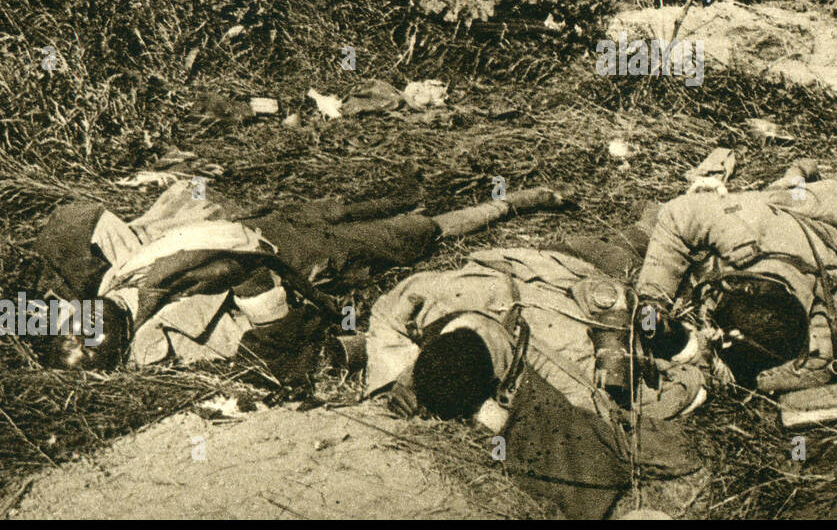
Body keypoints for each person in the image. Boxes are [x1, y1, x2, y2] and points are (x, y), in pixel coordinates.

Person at [28, 179, 564, 378]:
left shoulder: (114, 278)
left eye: (69, 328)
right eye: (85, 344)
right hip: (304, 264)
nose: (78, 329)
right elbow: (262, 327)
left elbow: (77, 219)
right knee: (411, 233)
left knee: (375, 200)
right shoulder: (161, 336)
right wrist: (256, 288)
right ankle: (513, 204)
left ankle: (459, 183)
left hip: (270, 228)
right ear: (113, 350)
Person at [365, 240, 708, 519]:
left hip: (573, 272)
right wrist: (401, 373)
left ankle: (683, 334)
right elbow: (385, 312)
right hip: (552, 268)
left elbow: (682, 390)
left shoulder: (577, 377)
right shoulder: (432, 295)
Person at [634, 158, 837, 387]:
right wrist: (652, 300)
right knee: (795, 189)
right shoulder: (735, 230)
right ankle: (807, 169)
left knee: (833, 193)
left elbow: (816, 365)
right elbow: (676, 214)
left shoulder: (823, 318)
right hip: (779, 208)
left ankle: (825, 171)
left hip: (817, 224)